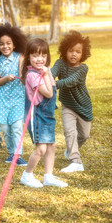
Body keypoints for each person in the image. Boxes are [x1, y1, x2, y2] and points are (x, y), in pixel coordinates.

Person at [19, 38, 68, 188]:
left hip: (47, 115)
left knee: (51, 145)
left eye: (43, 55)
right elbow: (48, 93)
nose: (40, 59)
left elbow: (53, 86)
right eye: (35, 55)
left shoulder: (42, 71)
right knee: (41, 149)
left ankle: (48, 176)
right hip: (37, 115)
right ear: (29, 57)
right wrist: (46, 74)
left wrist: (47, 74)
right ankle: (27, 175)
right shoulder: (33, 75)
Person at [0, 24, 28, 166]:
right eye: (2, 44)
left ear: (14, 45)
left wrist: (23, 77)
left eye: (8, 43)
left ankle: (18, 154)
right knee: (5, 129)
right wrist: (6, 78)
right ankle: (11, 153)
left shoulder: (20, 57)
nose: (5, 46)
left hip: (17, 99)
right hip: (2, 100)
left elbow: (23, 78)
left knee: (16, 128)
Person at [51, 30, 93, 173]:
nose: (74, 54)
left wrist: (56, 84)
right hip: (67, 106)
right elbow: (52, 73)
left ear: (83, 54)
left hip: (83, 106)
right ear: (65, 50)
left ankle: (70, 150)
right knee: (70, 132)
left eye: (78, 52)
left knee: (84, 135)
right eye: (71, 51)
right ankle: (75, 161)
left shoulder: (83, 69)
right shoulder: (60, 63)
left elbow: (72, 81)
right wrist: (46, 77)